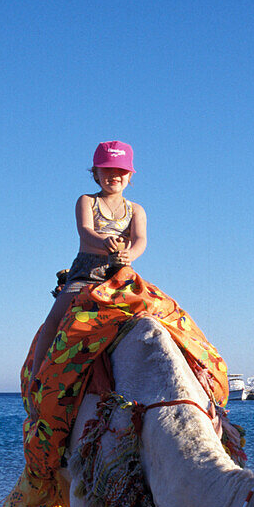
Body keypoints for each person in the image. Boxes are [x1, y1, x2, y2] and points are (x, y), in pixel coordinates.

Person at [29, 140, 147, 396]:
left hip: (120, 273)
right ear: (95, 173)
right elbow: (85, 231)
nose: (113, 176)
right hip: (87, 273)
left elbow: (140, 240)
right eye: (107, 170)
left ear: (129, 176)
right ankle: (36, 380)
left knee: (159, 315)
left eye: (120, 171)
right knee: (55, 319)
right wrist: (105, 242)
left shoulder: (136, 210)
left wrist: (129, 255)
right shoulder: (87, 201)